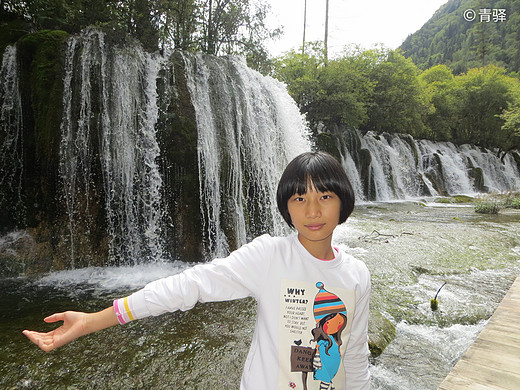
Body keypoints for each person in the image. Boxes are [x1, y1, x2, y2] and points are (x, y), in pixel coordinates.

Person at [23, 151, 371, 390]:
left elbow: (354, 356)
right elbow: (190, 285)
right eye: (299, 198)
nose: (312, 211)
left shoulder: (356, 275)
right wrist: (94, 320)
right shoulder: (270, 256)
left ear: (343, 201)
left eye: (324, 196)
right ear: (286, 208)